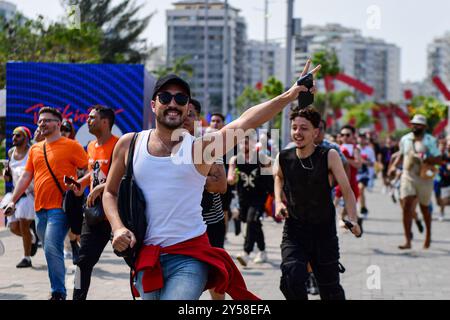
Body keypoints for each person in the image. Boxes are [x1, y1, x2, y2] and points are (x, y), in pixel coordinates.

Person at [103, 61, 320, 300]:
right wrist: (118, 227)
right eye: (165, 97)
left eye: (181, 99)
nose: (173, 103)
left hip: (189, 257)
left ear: (188, 110)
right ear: (154, 105)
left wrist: (288, 96)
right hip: (147, 256)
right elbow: (110, 192)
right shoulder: (129, 144)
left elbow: (245, 121)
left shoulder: (200, 149)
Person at [274, 107, 361, 300]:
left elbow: (347, 190)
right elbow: (278, 177)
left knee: (331, 292)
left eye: (304, 128)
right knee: (291, 277)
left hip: (324, 233)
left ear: (316, 132)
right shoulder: (284, 157)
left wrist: (353, 219)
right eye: (294, 127)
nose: (298, 132)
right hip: (295, 231)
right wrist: (279, 202)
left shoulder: (328, 155)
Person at [4, 107, 89, 300]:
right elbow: (26, 176)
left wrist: (79, 185)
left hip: (60, 207)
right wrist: (12, 200)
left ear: (58, 124)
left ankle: (58, 292)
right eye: (39, 121)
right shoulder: (35, 149)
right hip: (39, 208)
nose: (41, 124)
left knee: (51, 247)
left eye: (46, 120)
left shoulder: (71, 146)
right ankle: (60, 285)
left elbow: (89, 169)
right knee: (51, 250)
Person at [66, 106, 119, 300]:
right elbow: (94, 171)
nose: (87, 120)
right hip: (94, 215)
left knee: (135, 260)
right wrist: (81, 183)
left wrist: (102, 187)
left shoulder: (118, 145)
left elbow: (124, 176)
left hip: (117, 215)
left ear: (105, 122)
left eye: (91, 117)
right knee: (82, 262)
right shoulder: (90, 146)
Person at [183, 99, 227, 300]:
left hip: (210, 223)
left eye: (190, 114)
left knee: (215, 278)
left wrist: (188, 174)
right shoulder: (164, 146)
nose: (184, 118)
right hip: (180, 225)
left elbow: (220, 185)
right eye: (182, 113)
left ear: (198, 119)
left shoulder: (208, 145)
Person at [389, 114, 441, 249]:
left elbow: (438, 159)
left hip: (425, 178)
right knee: (406, 206)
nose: (414, 126)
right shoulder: (405, 139)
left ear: (424, 127)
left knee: (424, 208)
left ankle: (428, 235)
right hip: (408, 175)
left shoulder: (430, 140)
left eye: (418, 124)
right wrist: (394, 166)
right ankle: (408, 240)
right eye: (413, 124)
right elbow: (401, 154)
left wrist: (426, 158)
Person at [228, 135, 273, 266]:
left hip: (259, 197)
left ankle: (246, 253)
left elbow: (271, 175)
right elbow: (230, 176)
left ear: (254, 143)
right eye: (242, 142)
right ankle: (263, 251)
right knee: (254, 224)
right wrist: (231, 178)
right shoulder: (235, 159)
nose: (244, 145)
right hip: (243, 198)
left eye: (247, 142)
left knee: (251, 220)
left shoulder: (261, 159)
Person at [1, 126, 38, 268]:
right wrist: (6, 175)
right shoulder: (11, 153)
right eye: (13, 135)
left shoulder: (32, 152)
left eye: (18, 135)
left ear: (26, 137)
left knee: (23, 224)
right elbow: (10, 177)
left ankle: (26, 257)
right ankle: (32, 238)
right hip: (16, 195)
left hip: (30, 194)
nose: (14, 138)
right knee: (13, 228)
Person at [60, 119, 82, 264]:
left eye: (66, 129)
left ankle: (75, 244)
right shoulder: (50, 145)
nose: (63, 132)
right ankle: (68, 247)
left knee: (76, 222)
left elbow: (84, 167)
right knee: (63, 219)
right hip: (57, 190)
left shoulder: (75, 146)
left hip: (73, 190)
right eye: (61, 129)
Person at [357, 133, 376, 218]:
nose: (361, 140)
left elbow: (372, 163)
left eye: (363, 138)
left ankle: (362, 209)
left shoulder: (369, 150)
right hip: (355, 174)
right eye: (359, 138)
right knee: (357, 193)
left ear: (365, 140)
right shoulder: (355, 149)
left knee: (360, 189)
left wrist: (363, 162)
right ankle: (363, 207)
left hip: (365, 174)